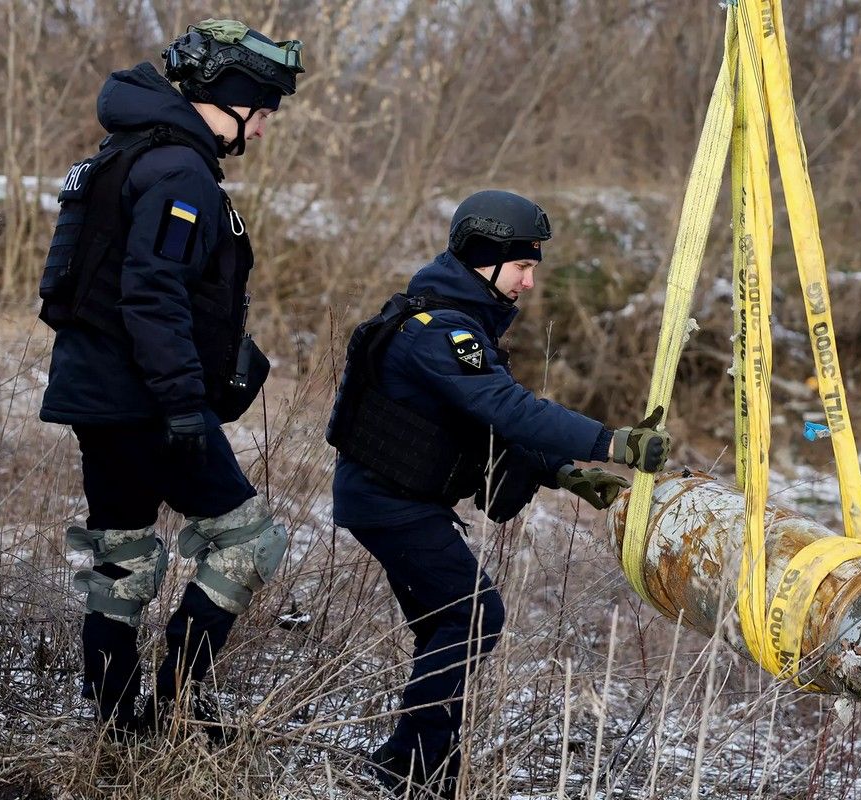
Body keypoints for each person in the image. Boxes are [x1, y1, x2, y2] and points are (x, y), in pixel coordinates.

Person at [327, 190, 672, 797]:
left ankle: (414, 763)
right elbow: (503, 408)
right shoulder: (436, 330)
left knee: (447, 623)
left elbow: (478, 423)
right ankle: (412, 769)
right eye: (522, 267)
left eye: (532, 268)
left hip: (395, 500)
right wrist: (610, 442)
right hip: (389, 503)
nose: (529, 283)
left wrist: (562, 469)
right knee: (472, 613)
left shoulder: (461, 320)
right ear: (482, 260)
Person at [37, 19, 305, 739]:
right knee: (250, 543)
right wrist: (186, 402)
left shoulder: (125, 151)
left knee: (122, 556)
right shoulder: (180, 170)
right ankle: (177, 702)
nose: (265, 127)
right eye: (265, 109)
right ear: (230, 97)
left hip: (101, 395)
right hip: (150, 402)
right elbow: (151, 292)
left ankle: (119, 719)